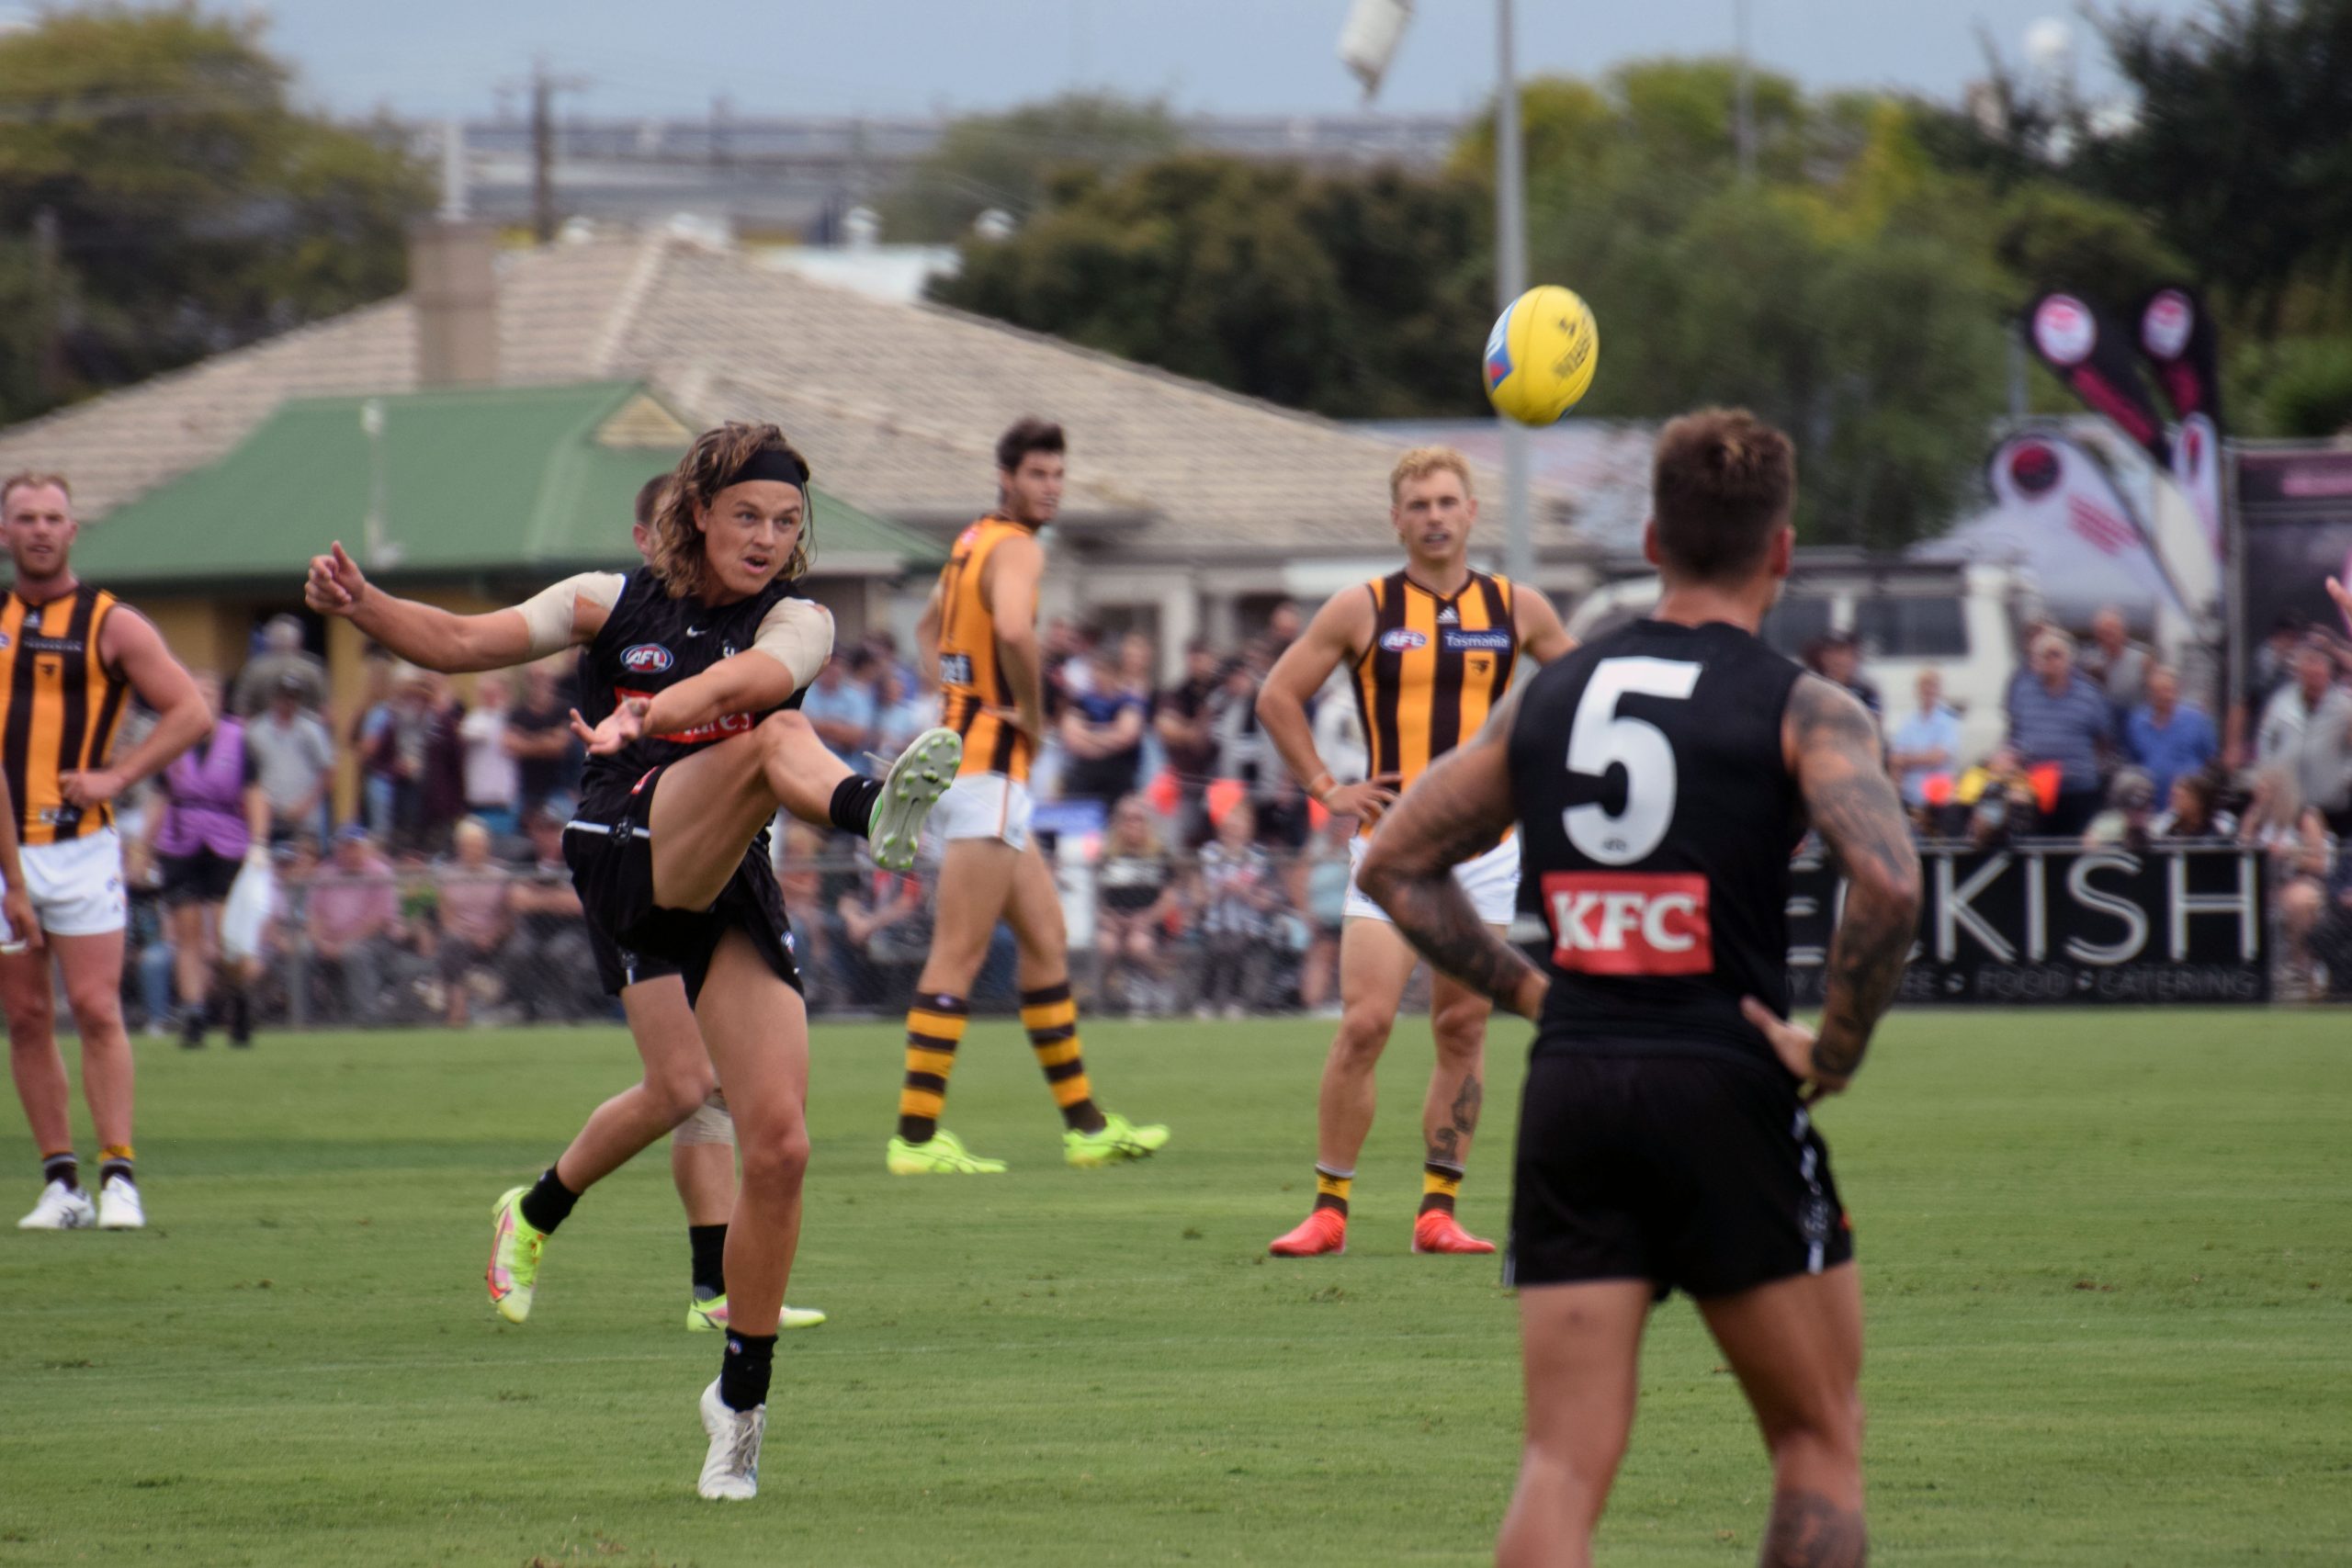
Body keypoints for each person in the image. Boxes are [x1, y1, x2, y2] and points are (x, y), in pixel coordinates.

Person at [308, 423, 959, 1499]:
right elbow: (461, 642)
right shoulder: (605, 601)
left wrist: (657, 711)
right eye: (746, 515)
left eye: (786, 521)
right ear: (697, 512)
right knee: (768, 756)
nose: (766, 537)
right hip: (624, 851)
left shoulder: (799, 618)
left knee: (781, 1147)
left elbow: (755, 678)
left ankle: (737, 1408)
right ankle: (867, 807)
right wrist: (364, 604)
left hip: (723, 874)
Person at [1357, 408, 1919, 1568]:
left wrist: (1533, 997)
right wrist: (1835, 1050)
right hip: (1723, 1077)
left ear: (1654, 540)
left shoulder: (1551, 695)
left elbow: (1392, 864)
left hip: (1575, 1087)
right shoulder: (1807, 706)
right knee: (1817, 1437)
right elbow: (1889, 882)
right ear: (1781, 550)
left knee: (1561, 1462)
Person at [1252, 445, 1573, 1258]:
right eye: (1419, 504)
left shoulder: (1519, 607)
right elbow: (1277, 696)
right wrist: (1326, 786)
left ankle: (1438, 1212)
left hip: (1486, 851)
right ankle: (1329, 1211)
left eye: (1447, 502)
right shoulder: (1362, 608)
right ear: (1396, 519)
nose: (1434, 516)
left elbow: (1587, 693)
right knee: (1364, 1023)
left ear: (1471, 513)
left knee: (1462, 1026)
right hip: (1391, 852)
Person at [888, 417, 1168, 1175]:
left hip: (965, 766)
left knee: (1046, 940)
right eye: (1038, 474)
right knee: (958, 953)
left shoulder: (971, 540)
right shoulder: (1015, 545)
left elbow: (927, 629)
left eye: (1058, 475)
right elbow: (1014, 630)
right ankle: (915, 1138)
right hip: (991, 776)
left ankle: (1085, 1126)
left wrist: (955, 701)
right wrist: (1032, 717)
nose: (1051, 487)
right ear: (1006, 477)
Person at [3, 472, 212, 1233]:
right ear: (5, 532)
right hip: (5, 850)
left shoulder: (111, 622)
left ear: (72, 530)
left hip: (82, 844)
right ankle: (61, 1185)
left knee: (96, 1006)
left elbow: (190, 710)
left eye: (52, 517)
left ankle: (119, 1174)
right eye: (25, 517)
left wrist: (119, 776)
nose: (39, 529)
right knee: (27, 1015)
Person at [149, 672, 270, 1048]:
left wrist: (259, 842)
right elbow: (160, 795)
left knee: (227, 936)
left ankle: (239, 998)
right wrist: (142, 846)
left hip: (227, 842)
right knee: (187, 934)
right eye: (197, 693)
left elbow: (254, 794)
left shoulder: (239, 740)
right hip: (180, 841)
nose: (204, 700)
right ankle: (194, 1013)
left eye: (210, 694)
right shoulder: (171, 735)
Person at [2006, 629, 2114, 837]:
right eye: (2043, 655)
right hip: (2035, 790)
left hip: (2079, 790)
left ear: (2069, 659)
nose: (2050, 661)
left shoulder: (2089, 694)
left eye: (2055, 654)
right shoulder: (2023, 691)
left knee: (2075, 846)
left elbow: (2104, 739)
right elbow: (2015, 734)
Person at [305, 825, 405, 1021]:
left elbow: (378, 921)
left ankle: (366, 1017)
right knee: (302, 951)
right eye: (345, 847)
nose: (350, 852)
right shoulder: (324, 874)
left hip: (373, 940)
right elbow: (314, 916)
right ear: (337, 850)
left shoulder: (380, 873)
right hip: (328, 941)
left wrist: (342, 945)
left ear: (366, 849)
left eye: (355, 847)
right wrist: (321, 943)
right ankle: (303, 1018)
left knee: (354, 953)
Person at [2255, 637, 2352, 837]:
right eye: (2308, 669)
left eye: (2318, 669)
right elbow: (2266, 738)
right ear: (2299, 672)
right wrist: (2267, 771)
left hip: (2332, 803)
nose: (2313, 675)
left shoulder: (2344, 707)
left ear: (2328, 672)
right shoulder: (2281, 702)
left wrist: (2346, 776)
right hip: (2290, 803)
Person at [1193, 795, 1280, 1016]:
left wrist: (1245, 892)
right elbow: (1198, 896)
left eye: (1240, 821)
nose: (1233, 827)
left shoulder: (1258, 857)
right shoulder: (1208, 854)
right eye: (1230, 820)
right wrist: (1219, 891)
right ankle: (1205, 1000)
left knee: (1238, 948)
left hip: (1248, 923)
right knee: (1215, 948)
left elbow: (1267, 898)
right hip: (1214, 921)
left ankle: (1236, 1000)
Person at [1092, 793, 1177, 1014]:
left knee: (1138, 944)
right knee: (1106, 945)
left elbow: (1169, 897)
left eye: (1138, 819)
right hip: (1113, 921)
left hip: (1148, 923)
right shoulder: (1106, 856)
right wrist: (1106, 917)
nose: (1132, 824)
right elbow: (1094, 896)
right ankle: (1103, 994)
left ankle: (1161, 981)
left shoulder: (1160, 855)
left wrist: (1146, 919)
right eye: (1126, 819)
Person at [1058, 637, 1149, 809]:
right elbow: (1072, 739)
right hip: (1084, 779)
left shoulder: (1129, 701)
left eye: (1102, 670)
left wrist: (1089, 734)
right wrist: (1109, 734)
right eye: (1095, 669)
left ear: (1114, 673)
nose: (1097, 675)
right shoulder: (1081, 700)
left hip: (1119, 778)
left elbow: (1126, 736)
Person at [244, 671, 334, 844]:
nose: (288, 702)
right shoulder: (256, 730)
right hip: (269, 816)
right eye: (283, 696)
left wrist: (307, 804)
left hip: (305, 817)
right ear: (274, 697)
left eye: (293, 697)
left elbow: (328, 770)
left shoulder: (312, 729)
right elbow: (248, 774)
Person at [2123, 662, 2218, 807]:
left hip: (2190, 802)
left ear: (2177, 690)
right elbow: (2134, 761)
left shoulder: (2197, 719)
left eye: (2168, 690)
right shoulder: (2137, 721)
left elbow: (2210, 759)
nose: (2164, 696)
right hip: (2150, 804)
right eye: (2158, 691)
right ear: (2149, 694)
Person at [1885, 669, 1961, 820]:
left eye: (1932, 685)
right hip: (1909, 796)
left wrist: (1907, 759)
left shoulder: (1948, 721)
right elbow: (1895, 759)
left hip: (1937, 799)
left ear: (1939, 690)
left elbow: (1938, 758)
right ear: (1917, 690)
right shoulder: (1908, 722)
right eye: (1924, 685)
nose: (1928, 690)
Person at [458, 672, 522, 835]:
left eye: (495, 693)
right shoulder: (474, 720)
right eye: (486, 693)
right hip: (479, 800)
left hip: (504, 801)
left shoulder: (513, 719)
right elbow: (470, 733)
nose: (491, 698)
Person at [230, 614, 328, 716]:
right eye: (280, 637)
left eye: (284, 637)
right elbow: (323, 704)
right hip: (265, 722)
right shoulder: (311, 666)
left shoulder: (255, 669)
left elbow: (241, 705)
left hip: (301, 722)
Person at [2080, 604, 2152, 713]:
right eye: (2102, 632)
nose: (2107, 636)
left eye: (2112, 631)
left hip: (2133, 715)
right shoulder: (2087, 660)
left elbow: (2151, 698)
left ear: (2123, 631)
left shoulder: (2142, 659)